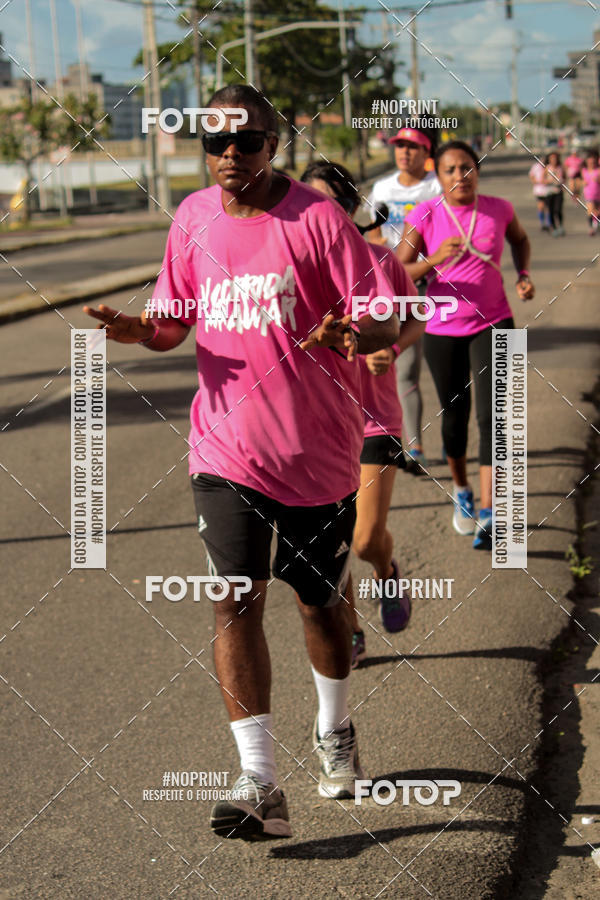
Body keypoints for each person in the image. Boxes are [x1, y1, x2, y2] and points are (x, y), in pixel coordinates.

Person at [84, 85, 400, 840]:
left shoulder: (318, 221)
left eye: (247, 142)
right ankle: (259, 780)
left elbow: (384, 311)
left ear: (274, 144)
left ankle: (335, 728)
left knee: (318, 603)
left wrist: (355, 330)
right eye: (215, 143)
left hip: (316, 453)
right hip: (223, 449)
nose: (231, 156)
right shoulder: (192, 218)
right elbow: (174, 323)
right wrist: (138, 331)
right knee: (233, 599)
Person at [300, 161, 425, 668]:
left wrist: (390, 350)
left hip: (374, 416)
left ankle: (388, 569)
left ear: (349, 210)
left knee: (365, 536)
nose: (314, 211)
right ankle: (349, 627)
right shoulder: (294, 271)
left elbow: (414, 319)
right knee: (332, 543)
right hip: (316, 423)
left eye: (327, 201)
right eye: (306, 201)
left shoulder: (380, 262)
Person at [397, 140, 535, 550]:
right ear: (436, 175)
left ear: (478, 170)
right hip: (442, 329)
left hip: (496, 322)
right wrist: (435, 257)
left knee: (496, 418)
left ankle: (491, 512)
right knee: (455, 420)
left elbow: (520, 240)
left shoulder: (500, 208)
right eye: (451, 170)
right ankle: (462, 491)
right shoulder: (425, 214)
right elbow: (399, 271)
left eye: (468, 167)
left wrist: (523, 273)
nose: (461, 176)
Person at [367, 127, 441, 473]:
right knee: (381, 367)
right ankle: (385, 440)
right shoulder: (382, 188)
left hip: (423, 285)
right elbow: (375, 232)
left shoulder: (437, 187)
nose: (404, 153)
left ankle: (415, 446)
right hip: (385, 286)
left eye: (412, 147)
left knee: (408, 368)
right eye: (399, 146)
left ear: (425, 151)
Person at [543, 152, 565, 236]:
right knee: (551, 211)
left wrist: (562, 182)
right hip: (549, 192)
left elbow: (565, 177)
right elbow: (542, 180)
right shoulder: (547, 168)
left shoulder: (560, 167)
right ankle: (554, 228)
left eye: (555, 158)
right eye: (552, 158)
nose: (554, 160)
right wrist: (548, 181)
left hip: (558, 192)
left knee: (558, 210)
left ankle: (561, 225)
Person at [528, 158, 551, 231]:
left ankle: (549, 223)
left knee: (548, 207)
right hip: (539, 190)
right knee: (541, 206)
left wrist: (548, 181)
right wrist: (535, 181)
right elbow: (531, 176)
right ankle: (542, 223)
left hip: (548, 190)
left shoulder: (549, 167)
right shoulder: (536, 166)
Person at [582, 149, 600, 236]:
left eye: (593, 162)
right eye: (590, 162)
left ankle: (595, 225)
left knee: (597, 212)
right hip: (589, 194)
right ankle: (592, 228)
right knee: (590, 211)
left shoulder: (598, 170)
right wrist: (583, 183)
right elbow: (579, 181)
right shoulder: (584, 171)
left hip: (598, 194)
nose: (591, 164)